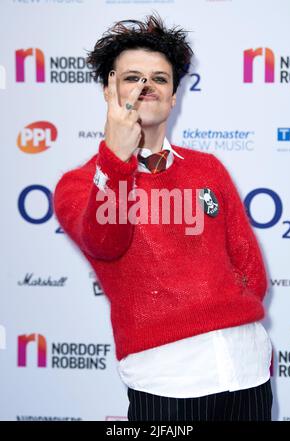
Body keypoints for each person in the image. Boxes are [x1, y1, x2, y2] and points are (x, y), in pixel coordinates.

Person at [53, 14, 273, 421]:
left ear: (174, 97)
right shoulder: (79, 184)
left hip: (248, 371)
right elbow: (106, 241)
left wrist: (232, 320)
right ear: (109, 91)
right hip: (166, 381)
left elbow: (250, 267)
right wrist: (117, 160)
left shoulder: (209, 167)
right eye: (133, 77)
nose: (146, 87)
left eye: (159, 78)